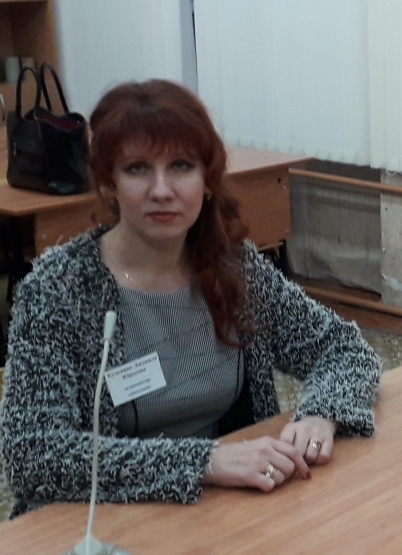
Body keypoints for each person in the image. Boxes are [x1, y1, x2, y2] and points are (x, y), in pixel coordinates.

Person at [0, 80, 382, 517]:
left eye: (181, 166)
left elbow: (343, 348)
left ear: (207, 180)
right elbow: (33, 455)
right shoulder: (59, 287)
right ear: (109, 183)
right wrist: (205, 462)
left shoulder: (233, 267)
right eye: (138, 169)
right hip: (97, 528)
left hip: (223, 512)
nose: (162, 189)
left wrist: (321, 413)